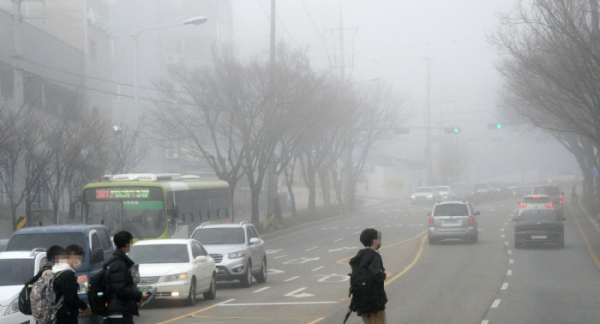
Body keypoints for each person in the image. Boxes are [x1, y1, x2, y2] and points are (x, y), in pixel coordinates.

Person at [104, 231, 149, 324]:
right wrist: (139, 295)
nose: (131, 244)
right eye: (130, 242)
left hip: (116, 309)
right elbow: (120, 289)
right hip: (119, 311)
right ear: (126, 244)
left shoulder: (115, 260)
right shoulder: (119, 263)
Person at [349, 228, 387, 324]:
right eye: (378, 239)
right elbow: (376, 274)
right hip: (375, 302)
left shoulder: (359, 256)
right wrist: (383, 275)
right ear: (374, 241)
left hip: (361, 303)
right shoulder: (374, 256)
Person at [52, 244, 91, 324]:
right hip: (65, 317)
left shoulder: (55, 271)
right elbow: (71, 297)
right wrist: (85, 307)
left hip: (55, 314)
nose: (79, 262)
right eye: (79, 259)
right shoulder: (67, 275)